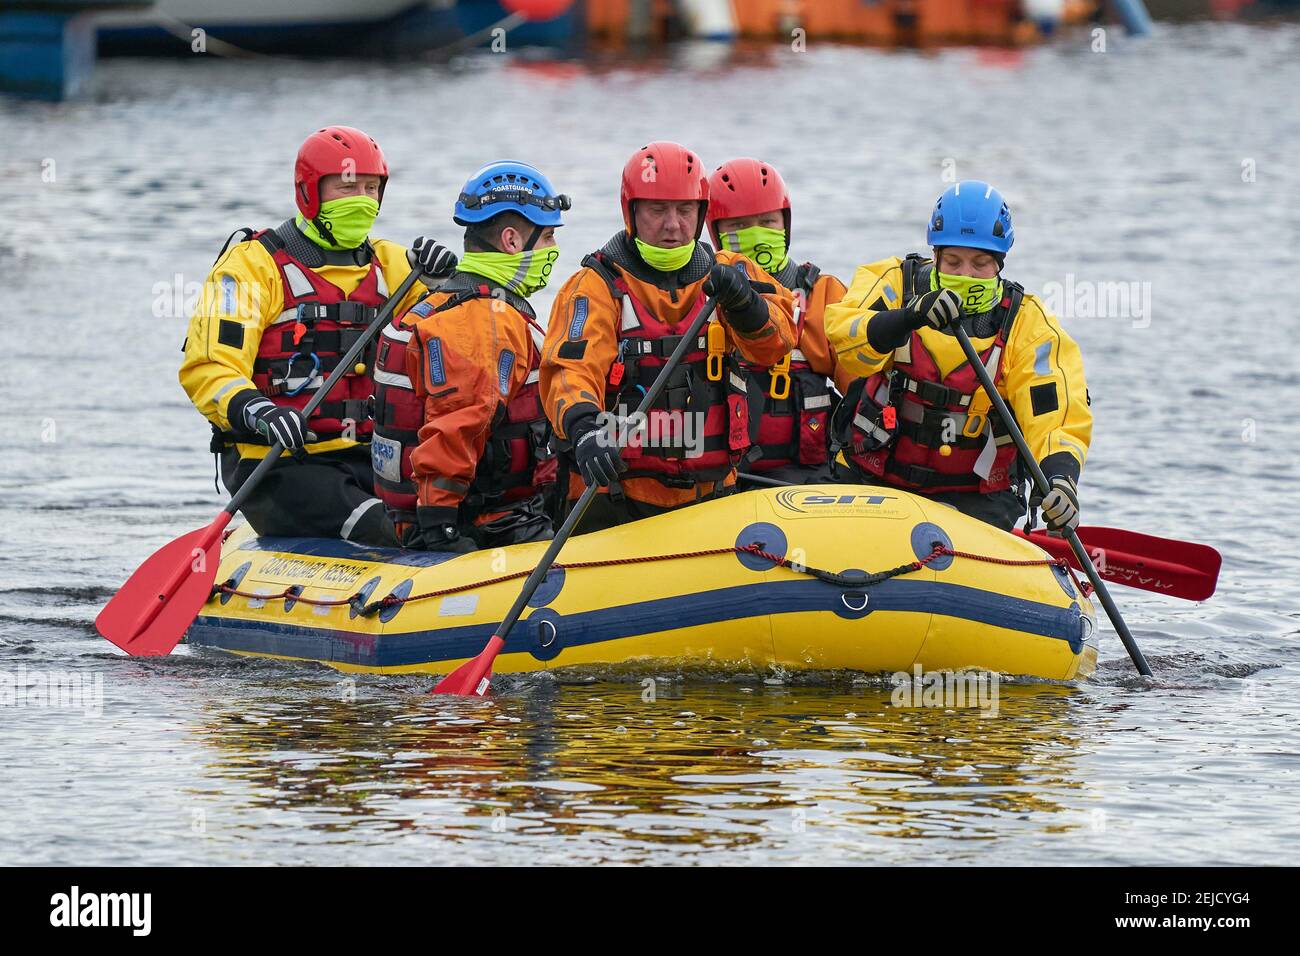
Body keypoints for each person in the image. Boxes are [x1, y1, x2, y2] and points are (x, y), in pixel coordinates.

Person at [179, 125, 458, 545]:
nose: (361, 200)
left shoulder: (399, 266)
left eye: (370, 188)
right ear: (310, 192)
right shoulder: (251, 267)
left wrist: (450, 285)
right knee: (397, 533)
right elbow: (209, 366)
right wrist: (259, 411)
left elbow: (456, 346)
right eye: (346, 188)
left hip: (376, 458)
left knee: (451, 522)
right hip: (280, 465)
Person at [540, 141, 797, 532]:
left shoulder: (730, 271)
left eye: (684, 210)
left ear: (701, 214)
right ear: (632, 212)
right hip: (619, 497)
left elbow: (777, 344)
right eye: (657, 210)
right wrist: (585, 428)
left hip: (710, 496)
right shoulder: (595, 286)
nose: (673, 225)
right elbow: (569, 370)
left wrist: (744, 304)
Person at [823, 180, 1091, 532]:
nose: (966, 274)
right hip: (873, 476)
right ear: (935, 257)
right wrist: (910, 317)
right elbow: (848, 341)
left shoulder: (1028, 324)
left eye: (980, 263)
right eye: (953, 261)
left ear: (1000, 263)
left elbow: (1056, 413)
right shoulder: (893, 283)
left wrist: (1061, 480)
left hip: (976, 497)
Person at [395, 161, 567, 553]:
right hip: (491, 524)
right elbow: (458, 424)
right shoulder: (487, 320)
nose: (553, 251)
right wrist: (439, 525)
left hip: (454, 513)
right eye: (547, 239)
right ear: (511, 241)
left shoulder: (439, 300)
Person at [705, 158, 851, 484]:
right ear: (715, 233)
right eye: (739, 226)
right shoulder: (699, 296)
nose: (756, 234)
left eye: (767, 221)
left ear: (785, 224)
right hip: (721, 479)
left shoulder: (825, 295)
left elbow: (861, 389)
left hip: (807, 480)